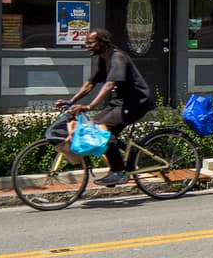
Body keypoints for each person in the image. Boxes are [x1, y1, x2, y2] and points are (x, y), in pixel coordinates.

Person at [55, 28, 156, 186]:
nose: (87, 45)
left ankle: (118, 172)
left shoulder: (118, 57)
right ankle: (133, 153)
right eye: (86, 43)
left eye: (90, 42)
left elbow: (109, 85)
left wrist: (89, 106)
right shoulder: (103, 58)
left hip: (136, 102)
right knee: (96, 128)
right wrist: (70, 101)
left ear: (102, 43)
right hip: (120, 102)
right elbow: (90, 84)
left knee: (101, 129)